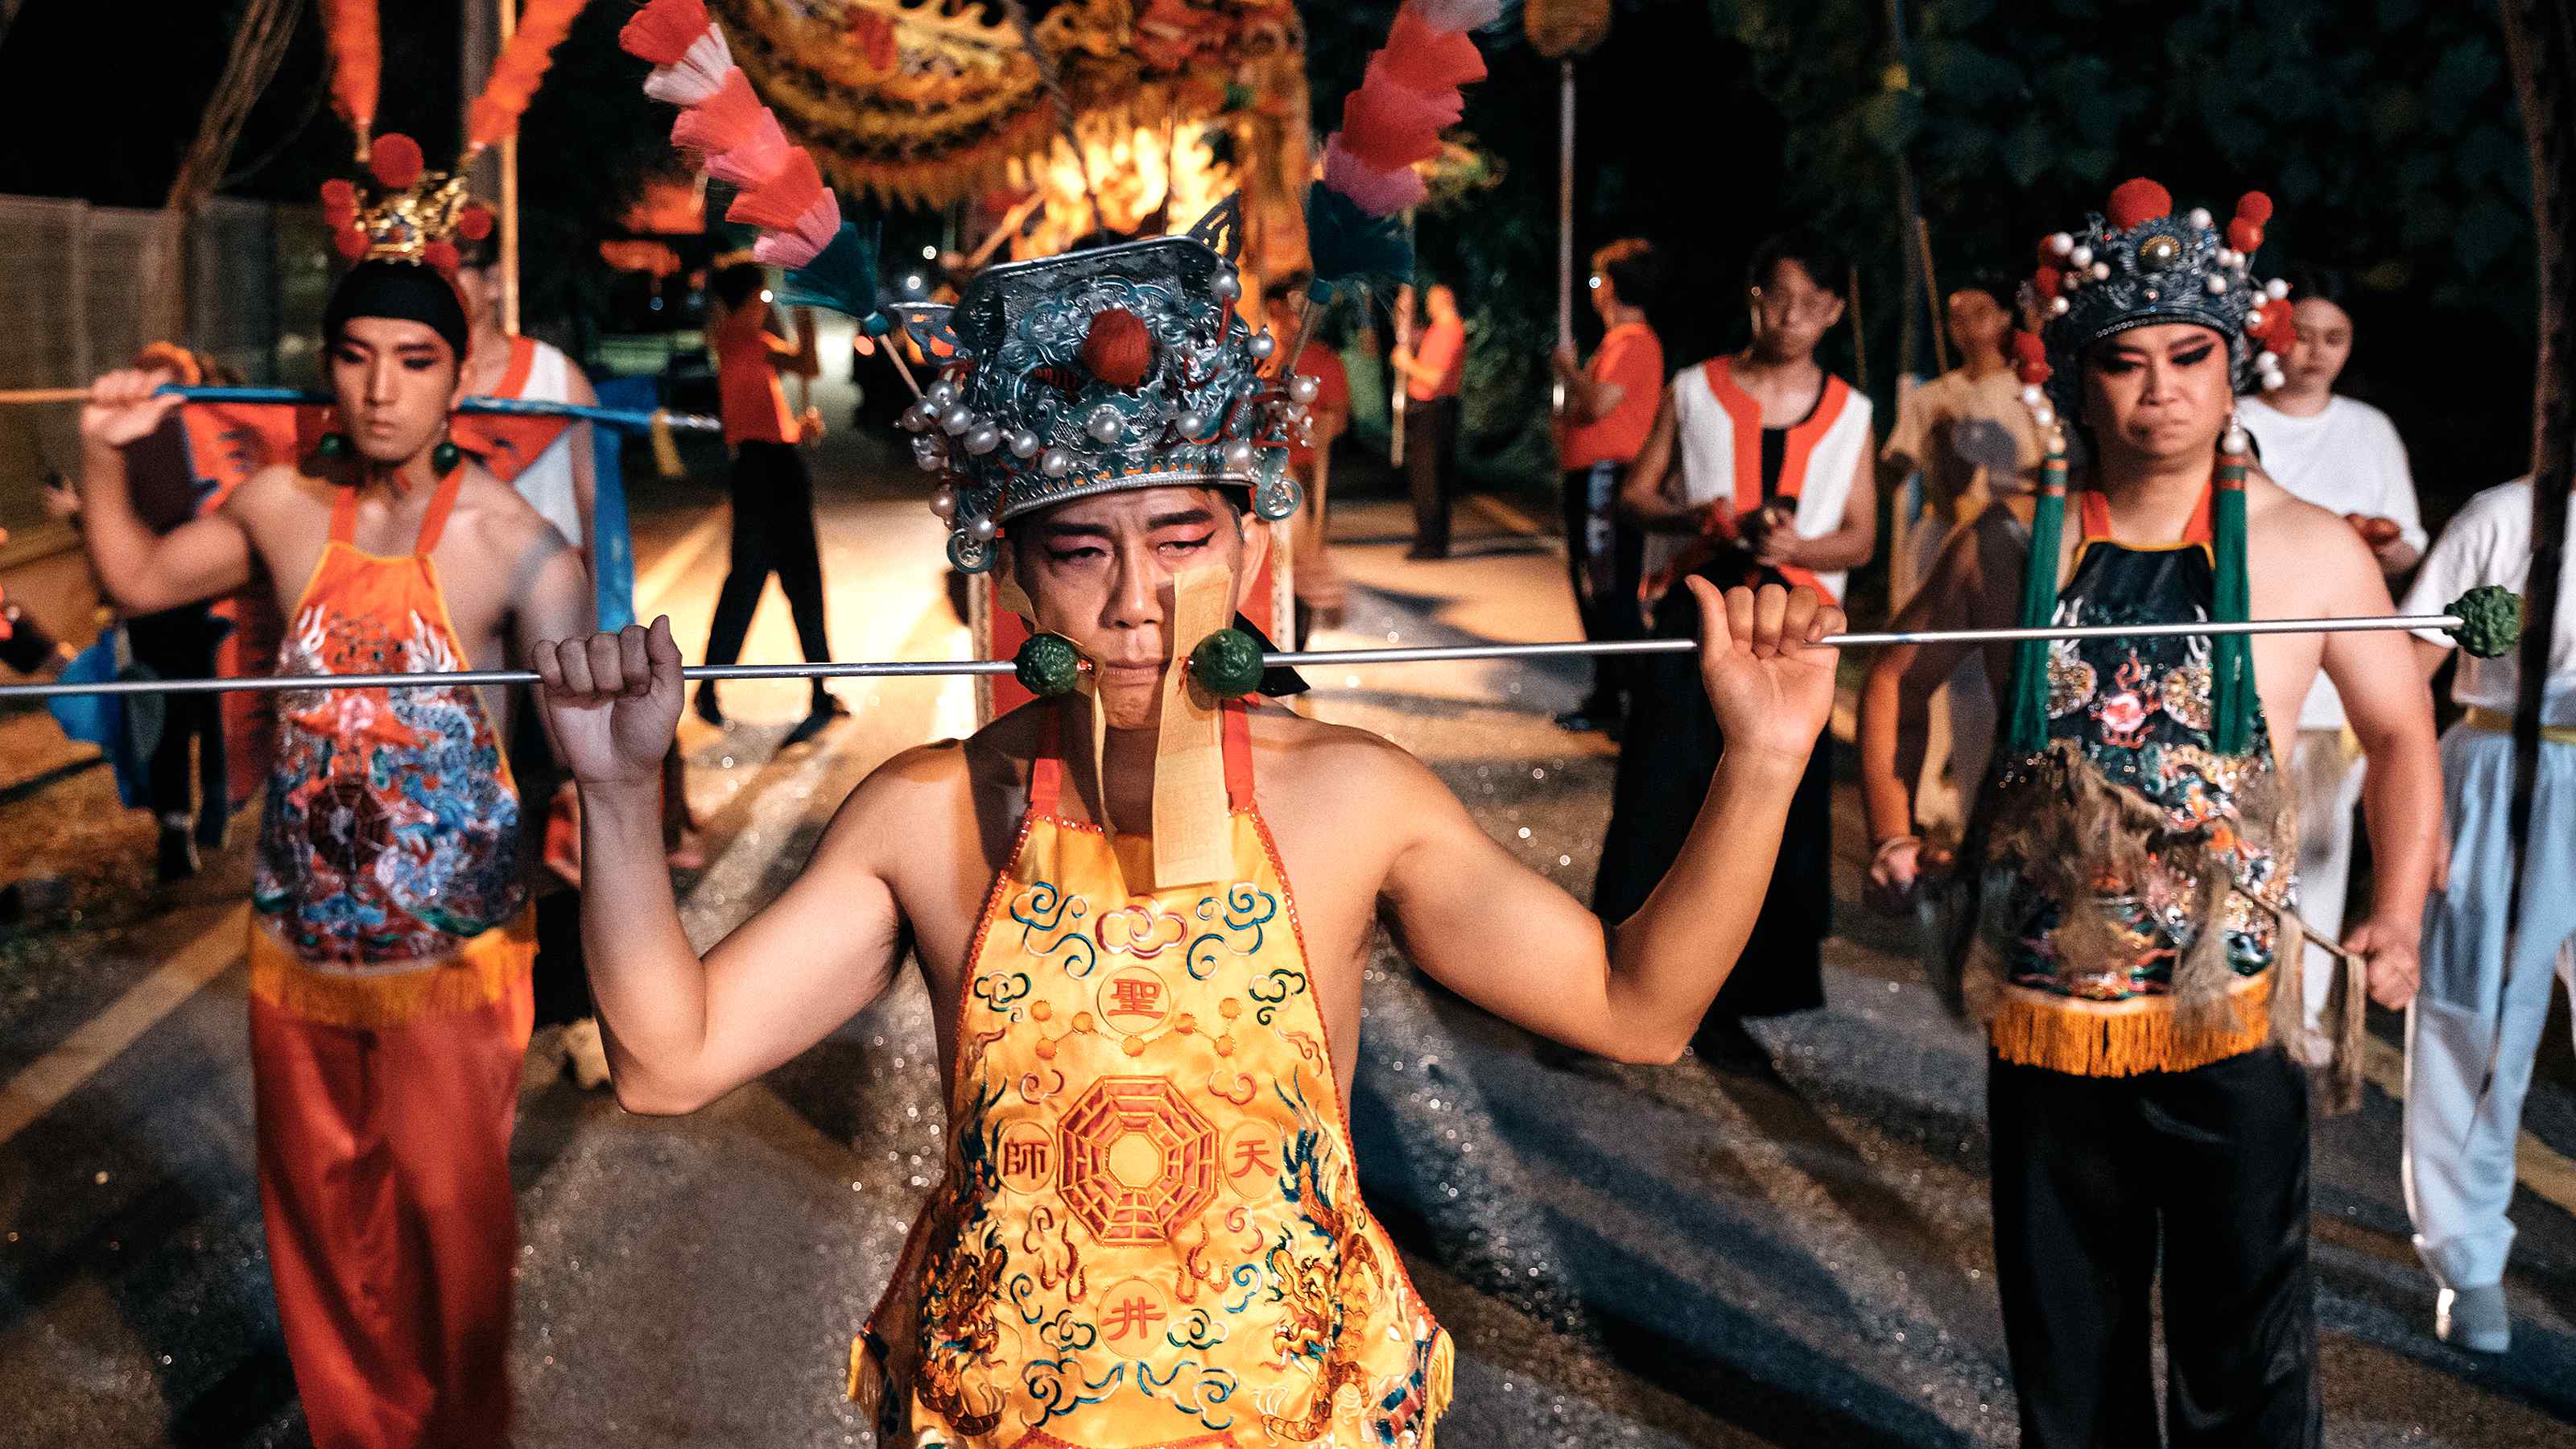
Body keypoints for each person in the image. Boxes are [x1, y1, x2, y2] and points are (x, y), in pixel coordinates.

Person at [535, 213, 1844, 1447]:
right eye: (1080, 552)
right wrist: (614, 790)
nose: (1138, 604)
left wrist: (1766, 763)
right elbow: (672, 1058)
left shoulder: (1349, 797)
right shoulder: (929, 814)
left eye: (1178, 538)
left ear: (1247, 550)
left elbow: (1638, 1006)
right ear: (1010, 573)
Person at [1857, 180, 2439, 1448]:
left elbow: (2401, 731)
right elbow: (1893, 677)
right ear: (2077, 380)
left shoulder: (2311, 549)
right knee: (2069, 1338)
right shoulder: (2008, 541)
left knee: (2249, 1336)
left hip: (2233, 1012)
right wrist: (1893, 830)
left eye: (2190, 358)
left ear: (2236, 374)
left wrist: (2396, 914)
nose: (2160, 389)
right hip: (2052, 1012)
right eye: (2124, 362)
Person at [73, 154, 593, 1443]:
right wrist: (103, 452)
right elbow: (137, 582)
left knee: (450, 1236)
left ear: (460, 375)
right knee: (316, 1229)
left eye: (414, 358)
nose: (378, 387)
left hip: (453, 963)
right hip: (297, 951)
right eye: (356, 354)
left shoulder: (520, 547)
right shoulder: (276, 507)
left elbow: (588, 746)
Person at [1601, 230, 1876, 1049]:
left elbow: (1860, 538)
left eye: (1811, 304)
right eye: (1778, 297)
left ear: (1831, 313)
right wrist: (1697, 514)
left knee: (1775, 804)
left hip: (1795, 629)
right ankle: (1622, 968)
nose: (1792, 317)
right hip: (1700, 611)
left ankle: (1745, 990)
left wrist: (1796, 550)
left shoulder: (1851, 410)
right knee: (1661, 787)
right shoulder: (1694, 389)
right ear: (1753, 296)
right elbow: (1634, 496)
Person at [2397, 474, 2574, 1354]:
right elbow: (2408, 664)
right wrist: (2413, 814)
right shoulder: (2501, 517)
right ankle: (2466, 1264)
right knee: (2478, 1015)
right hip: (2503, 764)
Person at [2234, 273, 2427, 1039]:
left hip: (2330, 690)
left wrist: (2370, 538)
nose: (2314, 352)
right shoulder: (2233, 417)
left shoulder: (2370, 429)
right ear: (2270, 333)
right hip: (2240, 677)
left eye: (2334, 338)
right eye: (2301, 332)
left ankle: (2301, 1020)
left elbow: (2409, 543)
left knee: (2315, 857)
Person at [1876, 279, 2043, 830]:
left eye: (1979, 312)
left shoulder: (2031, 393)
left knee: (1993, 678)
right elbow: (1894, 465)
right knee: (1931, 669)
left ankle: (1992, 811)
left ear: (2002, 320)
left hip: (2004, 545)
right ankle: (1924, 806)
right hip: (1940, 539)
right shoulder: (1933, 397)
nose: (1967, 326)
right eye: (1955, 316)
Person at [696, 258, 840, 744]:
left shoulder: (740, 343)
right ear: (752, 298)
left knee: (776, 582)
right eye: (763, 296)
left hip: (769, 464)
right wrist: (799, 307)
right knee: (781, 580)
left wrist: (798, 429)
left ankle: (818, 690)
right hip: (768, 474)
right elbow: (808, 364)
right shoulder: (743, 339)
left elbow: (788, 386)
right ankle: (715, 688)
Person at [1550, 238, 1666, 735]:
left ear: (1613, 287)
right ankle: (1610, 693)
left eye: (1598, 282)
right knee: (1596, 587)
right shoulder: (1620, 343)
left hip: (1606, 478)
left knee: (1609, 590)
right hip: (1593, 478)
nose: (1593, 292)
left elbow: (1599, 403)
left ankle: (1632, 700)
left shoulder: (1632, 342)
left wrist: (1567, 371)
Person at [1265, 278, 1352, 638]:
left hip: (1302, 470)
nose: (1284, 321)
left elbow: (1339, 415)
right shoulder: (1257, 358)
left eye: (1288, 313)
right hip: (1258, 471)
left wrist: (1325, 425)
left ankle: (1297, 642)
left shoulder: (1322, 360)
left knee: (1304, 561)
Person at [1389, 281, 1466, 559]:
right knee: (1429, 476)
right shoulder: (1438, 330)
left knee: (1429, 478)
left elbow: (1435, 379)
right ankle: (1431, 538)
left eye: (1432, 300)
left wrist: (1407, 364)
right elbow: (1409, 336)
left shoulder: (1449, 331)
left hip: (1434, 409)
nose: (1428, 305)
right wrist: (1404, 309)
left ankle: (1431, 542)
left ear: (1445, 299)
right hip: (1430, 409)